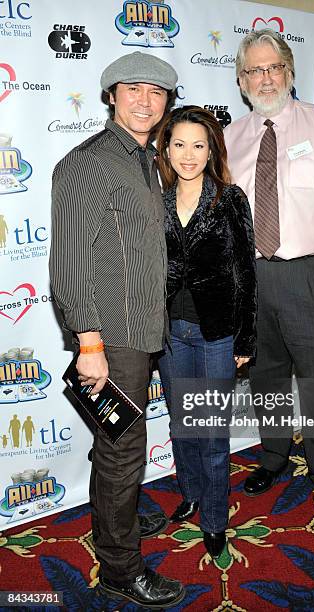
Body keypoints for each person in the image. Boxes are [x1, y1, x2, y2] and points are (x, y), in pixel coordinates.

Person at [49, 51, 185, 608]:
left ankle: (116, 521)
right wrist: (90, 344)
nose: (145, 101)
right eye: (132, 89)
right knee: (122, 451)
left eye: (156, 93)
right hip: (112, 336)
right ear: (110, 95)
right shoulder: (89, 162)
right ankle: (120, 569)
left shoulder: (145, 159)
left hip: (142, 329)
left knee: (115, 443)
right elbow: (71, 264)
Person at [224, 30, 314, 523]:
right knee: (264, 378)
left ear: (289, 72)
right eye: (254, 71)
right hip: (252, 280)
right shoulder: (230, 138)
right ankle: (272, 458)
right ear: (242, 82)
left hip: (313, 276)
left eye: (273, 68)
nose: (265, 78)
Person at [155, 106, 256, 558]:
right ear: (167, 149)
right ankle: (192, 492)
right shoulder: (156, 202)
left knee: (212, 432)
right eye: (179, 144)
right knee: (182, 424)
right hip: (169, 333)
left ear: (211, 148)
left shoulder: (230, 199)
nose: (188, 154)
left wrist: (245, 339)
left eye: (199, 145)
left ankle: (215, 518)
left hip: (216, 334)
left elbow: (245, 273)